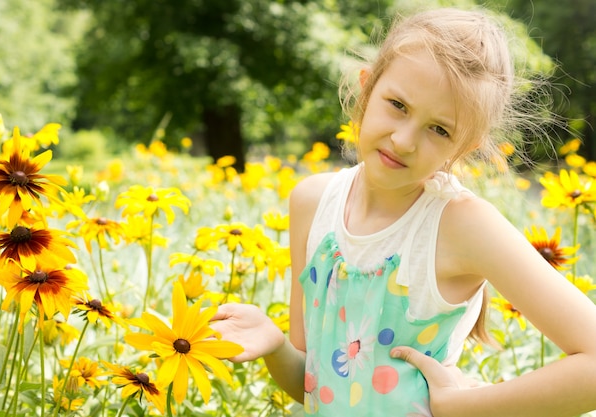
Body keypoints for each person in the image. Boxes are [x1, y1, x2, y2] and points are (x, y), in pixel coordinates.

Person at [211, 7, 596, 417]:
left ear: (464, 147)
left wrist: (463, 408)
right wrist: (274, 345)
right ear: (365, 91)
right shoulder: (312, 203)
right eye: (398, 104)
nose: (404, 139)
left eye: (440, 129)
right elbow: (315, 385)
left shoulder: (461, 224)